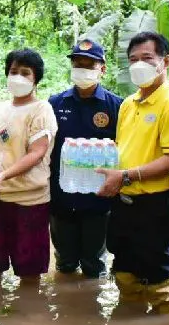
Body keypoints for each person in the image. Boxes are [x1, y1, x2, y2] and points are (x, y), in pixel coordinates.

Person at [97, 32, 169, 314]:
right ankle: (130, 323)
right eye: (133, 59)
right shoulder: (129, 103)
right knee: (124, 268)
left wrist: (126, 175)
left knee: (157, 273)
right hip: (124, 199)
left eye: (147, 58)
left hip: (158, 201)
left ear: (165, 61)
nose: (139, 64)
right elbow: (125, 148)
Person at [0, 50, 58, 281]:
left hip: (29, 201)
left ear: (36, 79)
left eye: (25, 73)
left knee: (29, 272)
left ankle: (28, 315)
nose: (18, 77)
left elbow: (37, 153)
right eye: (13, 71)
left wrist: (3, 175)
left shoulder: (41, 110)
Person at [48, 40, 122, 278]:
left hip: (98, 201)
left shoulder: (116, 107)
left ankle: (91, 309)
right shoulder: (55, 103)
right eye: (77, 63)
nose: (82, 69)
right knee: (65, 264)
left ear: (103, 69)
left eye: (89, 65)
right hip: (61, 198)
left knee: (94, 267)